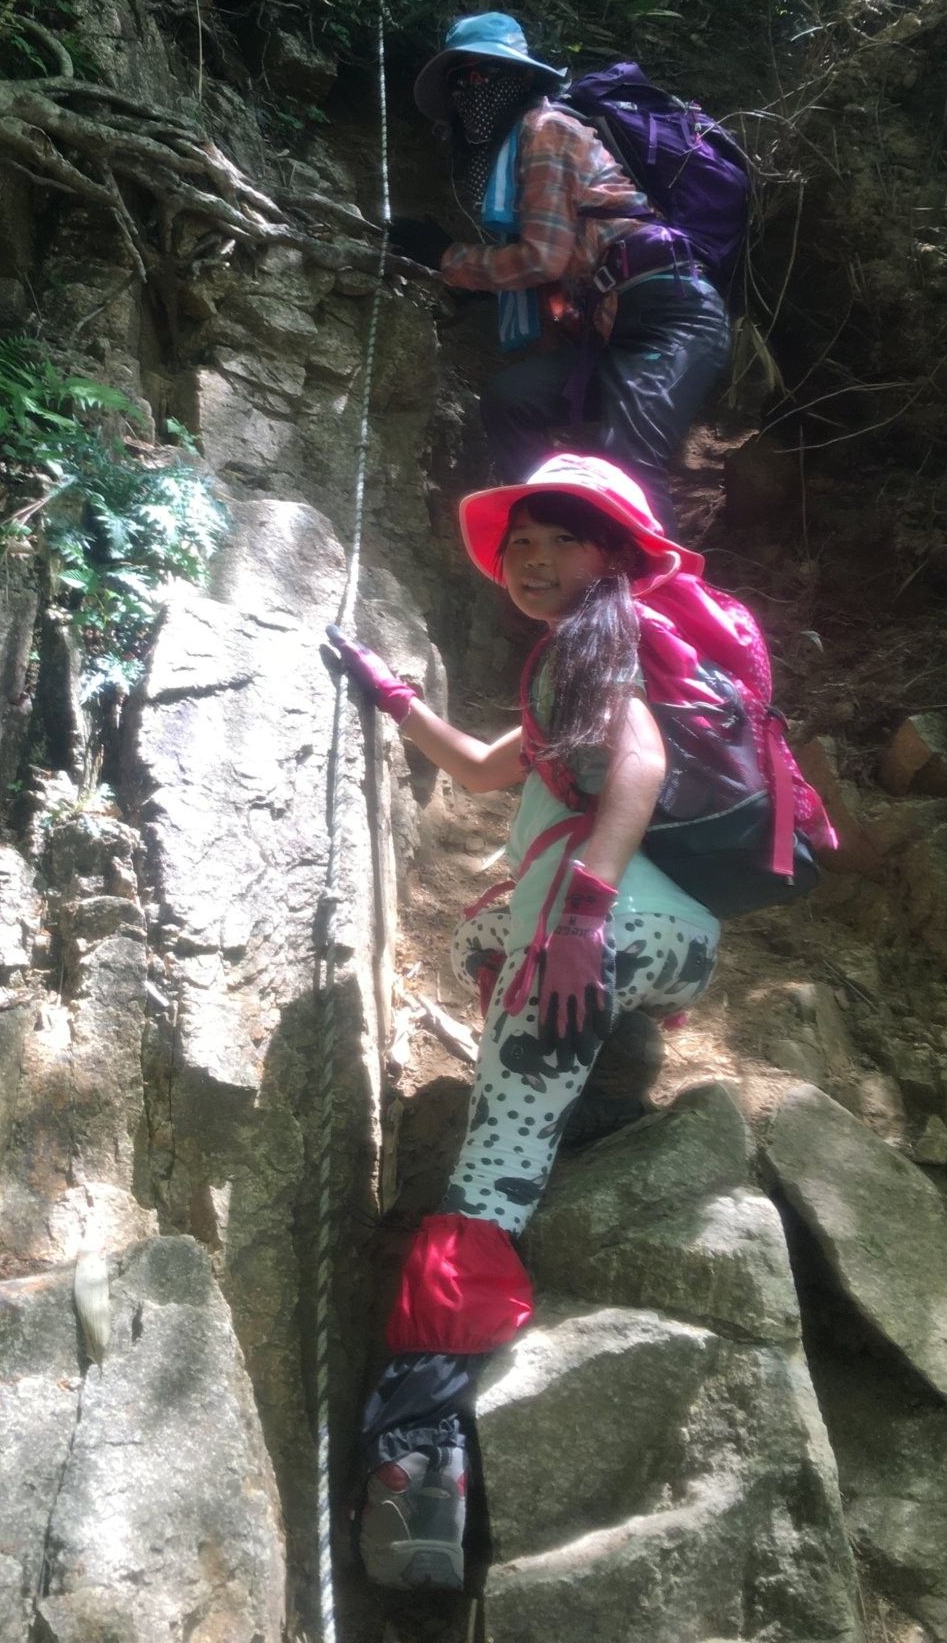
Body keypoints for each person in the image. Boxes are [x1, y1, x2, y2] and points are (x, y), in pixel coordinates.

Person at [327, 453, 723, 1591]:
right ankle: (599, 1091)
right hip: (675, 937)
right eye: (522, 543)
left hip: (604, 925)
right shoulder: (580, 655)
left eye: (561, 539)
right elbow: (481, 769)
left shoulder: (600, 640)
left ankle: (419, 1457)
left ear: (613, 557)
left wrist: (583, 915)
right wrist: (389, 695)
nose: (533, 559)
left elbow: (638, 758)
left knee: (484, 1184)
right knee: (480, 942)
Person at [413, 12, 732, 537]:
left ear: (521, 77)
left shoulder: (547, 130)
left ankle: (663, 587)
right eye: (458, 80)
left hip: (668, 314)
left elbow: (542, 258)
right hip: (614, 328)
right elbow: (559, 269)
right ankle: (559, 541)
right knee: (511, 400)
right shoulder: (523, 149)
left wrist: (445, 256)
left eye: (483, 73)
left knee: (628, 462)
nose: (471, 89)